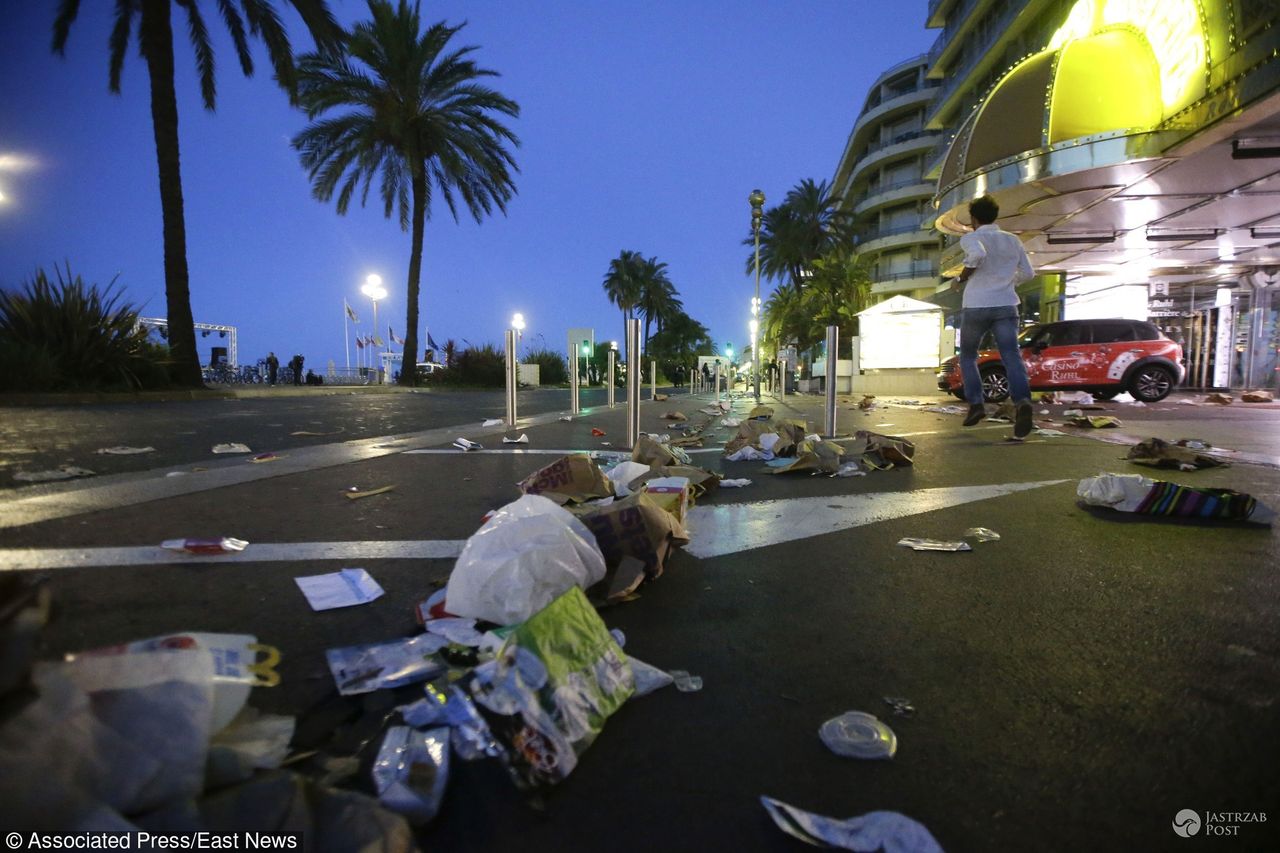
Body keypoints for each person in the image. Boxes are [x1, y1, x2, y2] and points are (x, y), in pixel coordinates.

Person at [956, 195, 1035, 438]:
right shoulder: (1013, 241)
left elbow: (977, 256)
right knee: (1011, 355)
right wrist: (1008, 282)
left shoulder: (972, 237)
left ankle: (977, 404)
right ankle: (1022, 402)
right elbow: (1029, 273)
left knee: (968, 356)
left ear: (974, 219)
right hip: (1006, 305)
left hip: (977, 305)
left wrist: (962, 277)